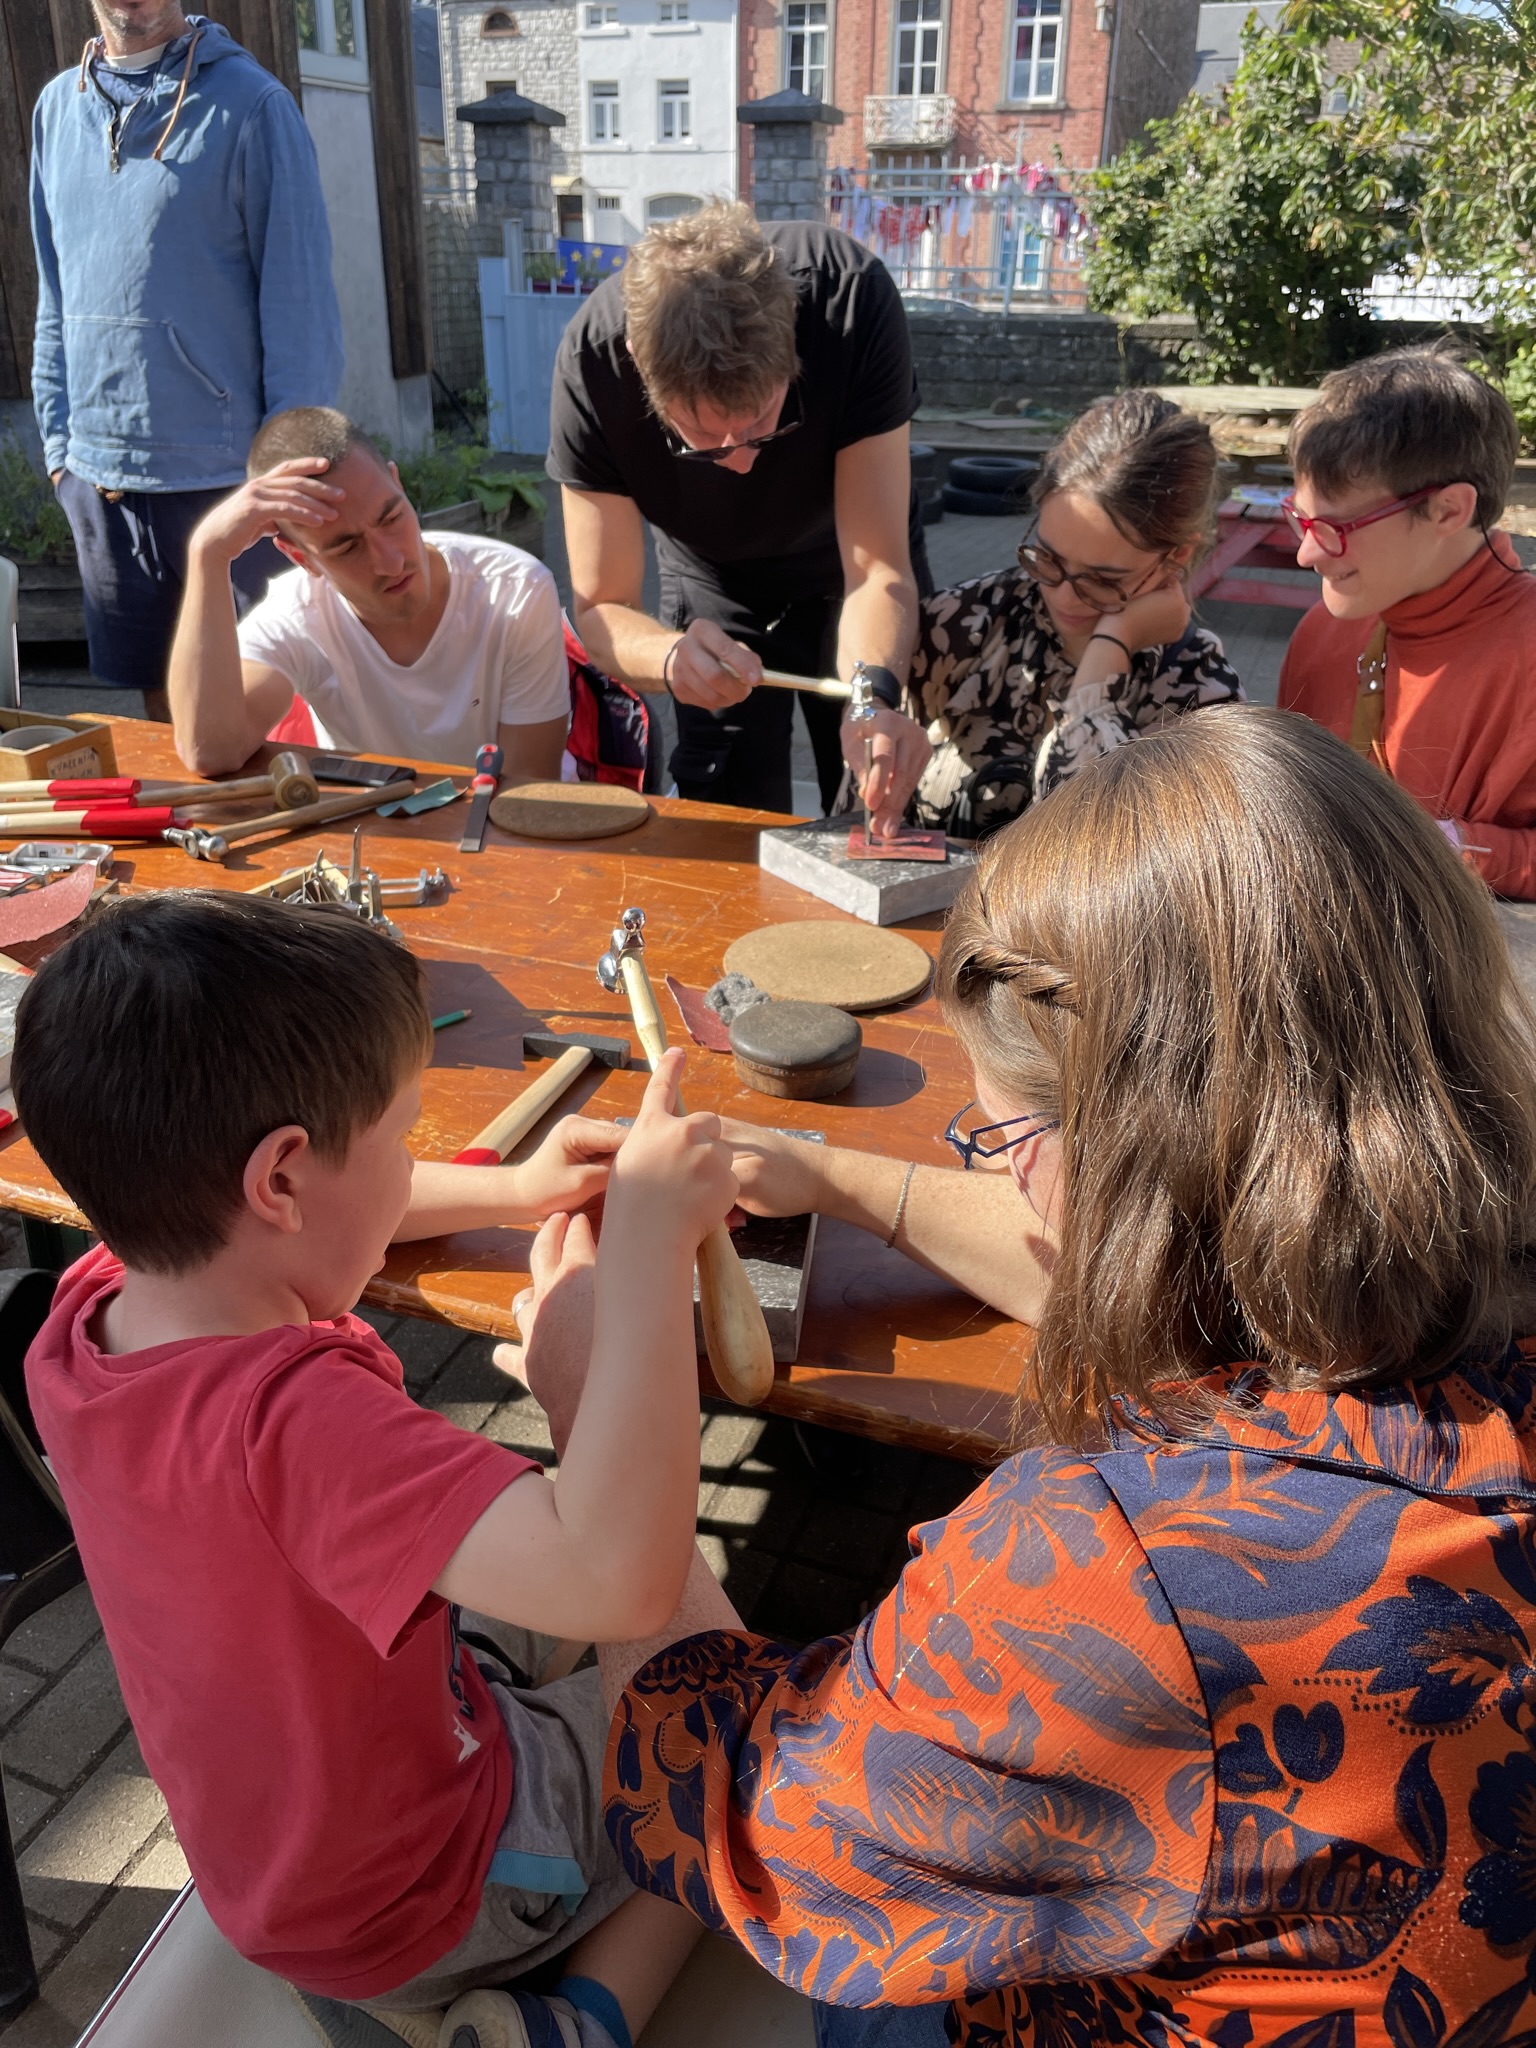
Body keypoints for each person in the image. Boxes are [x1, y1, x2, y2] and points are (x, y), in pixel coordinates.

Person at [531, 706, 1536, 2044]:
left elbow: (748, 1817)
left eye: (1003, 1133)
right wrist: (843, 1178)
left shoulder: (1110, 1578)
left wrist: (605, 1418)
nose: (1003, 1171)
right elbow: (1145, 1262)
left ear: (1135, 1164)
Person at [15, 891, 738, 2048]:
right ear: (282, 1180)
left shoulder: (95, 1301)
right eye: (401, 1137)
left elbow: (294, 1212)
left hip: (274, 1862)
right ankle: (576, 2018)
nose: (411, 1166)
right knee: (734, 1731)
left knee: (532, 1629)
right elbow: (621, 1579)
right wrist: (631, 1280)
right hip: (424, 1892)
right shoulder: (295, 1424)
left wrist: (513, 1189)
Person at [547, 201, 933, 827]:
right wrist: (670, 657)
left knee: (880, 791)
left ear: (793, 354)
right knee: (730, 814)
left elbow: (877, 569)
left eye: (762, 425)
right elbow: (600, 608)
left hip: (849, 567)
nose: (742, 464)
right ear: (644, 380)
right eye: (701, 438)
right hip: (713, 582)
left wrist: (872, 701)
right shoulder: (593, 364)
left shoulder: (851, 301)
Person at [30, 0, 344, 722]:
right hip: (104, 487)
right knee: (164, 729)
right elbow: (53, 289)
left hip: (230, 491)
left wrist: (285, 483)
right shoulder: (55, 109)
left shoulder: (253, 107)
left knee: (267, 726)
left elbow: (302, 312)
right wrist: (61, 454)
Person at [905, 390, 1243, 839]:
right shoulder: (966, 622)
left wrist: (1107, 656)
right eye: (1048, 558)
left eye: (1103, 579)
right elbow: (855, 823)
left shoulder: (1199, 692)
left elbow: (1084, 849)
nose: (1064, 596)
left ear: (1176, 555)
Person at [168, 408, 570, 777]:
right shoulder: (296, 616)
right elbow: (212, 751)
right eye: (347, 547)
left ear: (397, 483)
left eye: (392, 517)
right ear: (301, 559)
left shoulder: (514, 591)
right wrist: (207, 553)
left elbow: (527, 789)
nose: (391, 561)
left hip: (501, 835)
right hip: (381, 834)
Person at [1278, 346, 1536, 897]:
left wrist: (1448, 845)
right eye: (1300, 517)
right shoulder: (1321, 632)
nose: (1306, 553)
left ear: (1448, 510)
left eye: (1335, 527)